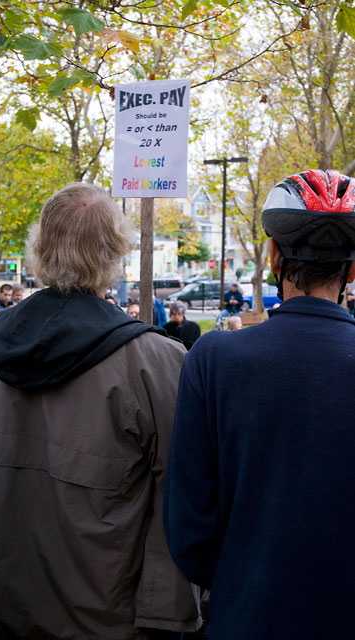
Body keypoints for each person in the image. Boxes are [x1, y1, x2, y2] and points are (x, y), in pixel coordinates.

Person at [0, 183, 201, 638]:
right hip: (100, 620)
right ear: (116, 251)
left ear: (40, 248)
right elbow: (181, 505)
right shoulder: (155, 361)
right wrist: (169, 622)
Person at [164, 169, 355, 640]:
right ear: (352, 270)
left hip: (247, 614)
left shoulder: (215, 359)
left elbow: (188, 526)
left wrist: (238, 581)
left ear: (273, 256)